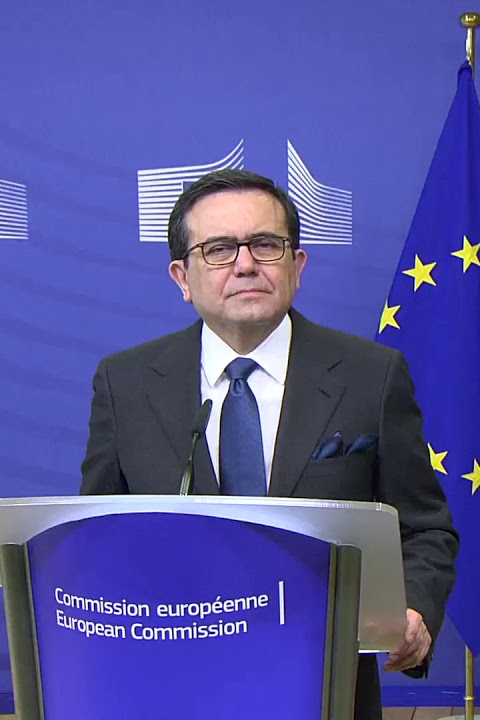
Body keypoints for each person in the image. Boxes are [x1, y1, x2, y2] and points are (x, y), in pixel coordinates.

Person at [78, 168, 458, 720]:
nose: (245, 264)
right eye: (218, 249)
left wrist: (415, 610)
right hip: (170, 684)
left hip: (325, 685)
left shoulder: (371, 376)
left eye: (265, 244)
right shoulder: (125, 383)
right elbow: (96, 539)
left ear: (297, 266)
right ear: (182, 278)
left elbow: (424, 528)